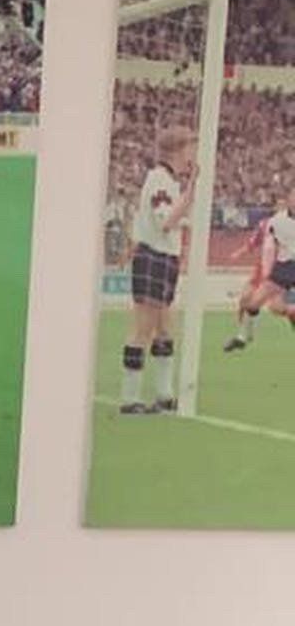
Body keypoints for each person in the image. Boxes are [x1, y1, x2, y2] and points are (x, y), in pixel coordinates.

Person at [119, 126, 197, 414]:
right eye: (190, 148)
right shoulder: (160, 181)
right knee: (144, 327)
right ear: (178, 150)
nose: (192, 155)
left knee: (165, 327)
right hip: (153, 256)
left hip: (165, 258)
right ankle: (130, 398)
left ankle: (164, 395)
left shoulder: (169, 182)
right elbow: (166, 221)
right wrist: (190, 192)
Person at [224, 185, 295, 351]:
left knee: (277, 308)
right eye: (293, 196)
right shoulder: (276, 221)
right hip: (283, 267)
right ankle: (243, 338)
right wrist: (265, 269)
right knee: (253, 303)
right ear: (289, 200)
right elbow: (265, 244)